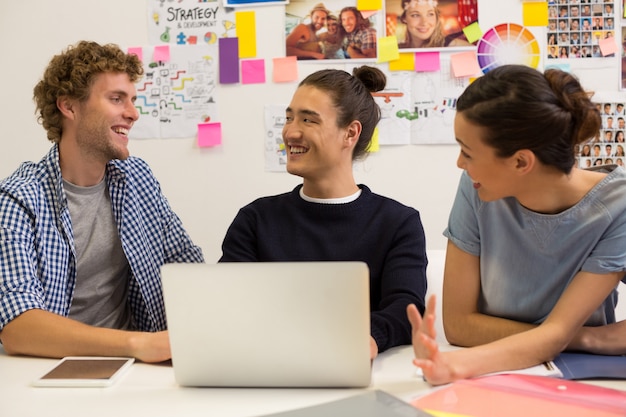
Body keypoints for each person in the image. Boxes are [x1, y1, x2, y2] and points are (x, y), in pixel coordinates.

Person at [406, 65, 626, 386]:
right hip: (495, 373)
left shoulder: (616, 205)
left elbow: (557, 333)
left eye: (467, 152)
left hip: (584, 381)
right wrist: (593, 338)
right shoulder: (476, 187)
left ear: (521, 161)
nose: (460, 163)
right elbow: (459, 325)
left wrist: (456, 365)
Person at [0, 41, 204, 362]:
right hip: (52, 369)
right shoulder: (19, 197)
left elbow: (184, 264)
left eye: (133, 100)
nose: (133, 113)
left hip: (138, 369)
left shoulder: (137, 177)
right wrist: (137, 344)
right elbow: (17, 325)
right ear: (69, 107)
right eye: (116, 99)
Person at [219, 66, 428, 360]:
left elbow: (405, 308)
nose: (290, 132)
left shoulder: (397, 223)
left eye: (308, 120)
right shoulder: (255, 219)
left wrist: (364, 340)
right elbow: (228, 303)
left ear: (350, 133)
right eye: (289, 118)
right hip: (267, 365)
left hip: (355, 367)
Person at [398, 0, 471, 48]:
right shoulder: (397, 49)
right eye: (415, 15)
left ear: (436, 17)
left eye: (430, 14)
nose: (424, 22)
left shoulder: (453, 46)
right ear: (404, 18)